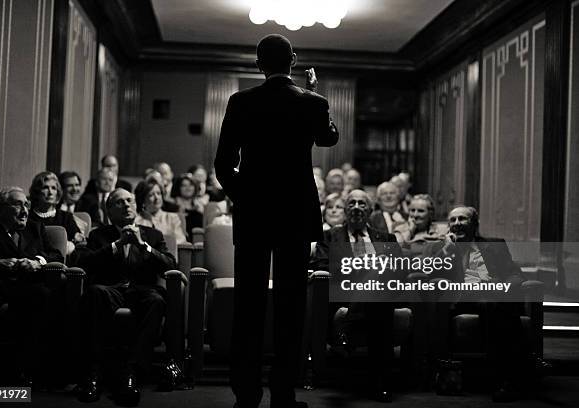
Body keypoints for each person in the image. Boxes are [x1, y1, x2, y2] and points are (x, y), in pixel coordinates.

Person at [215, 34, 338, 408]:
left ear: (258, 64)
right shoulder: (313, 102)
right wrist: (317, 97)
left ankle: (246, 394)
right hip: (296, 216)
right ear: (294, 61)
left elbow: (223, 164)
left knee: (248, 306)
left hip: (254, 218)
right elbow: (329, 138)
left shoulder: (241, 101)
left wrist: (247, 197)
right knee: (291, 307)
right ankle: (284, 394)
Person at [75, 188, 178, 405]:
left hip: (141, 290)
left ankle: (131, 372)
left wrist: (143, 246)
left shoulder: (153, 235)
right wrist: (117, 245)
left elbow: (169, 265)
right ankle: (93, 373)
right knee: (95, 292)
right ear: (109, 210)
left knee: (157, 300)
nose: (126, 205)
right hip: (111, 289)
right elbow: (85, 262)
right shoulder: (98, 235)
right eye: (119, 202)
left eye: (130, 200)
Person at [423, 206, 527, 402]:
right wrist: (447, 250)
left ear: (475, 224)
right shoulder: (438, 248)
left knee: (494, 303)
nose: (456, 224)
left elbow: (514, 273)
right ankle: (509, 378)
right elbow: (425, 274)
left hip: (492, 296)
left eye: (463, 219)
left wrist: (505, 286)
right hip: (460, 299)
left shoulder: (494, 245)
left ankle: (506, 379)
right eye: (452, 220)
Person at [310, 189, 402, 402]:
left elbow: (399, 269)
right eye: (351, 204)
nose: (357, 208)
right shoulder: (330, 236)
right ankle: (381, 382)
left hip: (380, 295)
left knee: (379, 278)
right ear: (344, 210)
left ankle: (348, 322)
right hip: (346, 294)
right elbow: (321, 264)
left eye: (362, 204)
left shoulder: (386, 238)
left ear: (370, 210)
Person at [0, 187, 63, 385]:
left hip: (27, 286)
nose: (25, 210)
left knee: (42, 295)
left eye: (27, 204)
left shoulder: (36, 229)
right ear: (0, 209)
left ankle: (25, 370)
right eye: (18, 204)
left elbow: (56, 255)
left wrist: (37, 262)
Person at [28, 171, 84, 255]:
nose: (50, 192)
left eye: (53, 188)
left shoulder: (66, 217)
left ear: (57, 192)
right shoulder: (28, 216)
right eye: (45, 188)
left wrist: (73, 243)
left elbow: (79, 242)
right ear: (37, 192)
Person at [134, 179, 187, 246]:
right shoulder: (137, 221)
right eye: (151, 195)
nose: (157, 198)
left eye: (158, 193)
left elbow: (181, 241)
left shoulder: (172, 218)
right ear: (142, 200)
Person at [170, 174, 204, 241]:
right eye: (184, 185)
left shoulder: (199, 207)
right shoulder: (172, 206)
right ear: (178, 188)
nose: (188, 188)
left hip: (197, 241)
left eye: (190, 185)